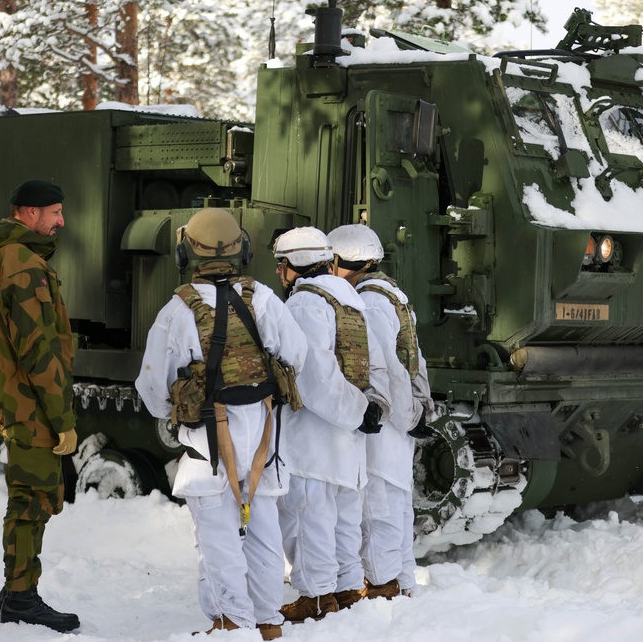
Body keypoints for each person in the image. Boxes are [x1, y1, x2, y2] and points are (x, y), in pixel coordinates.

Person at [135, 209, 306, 640]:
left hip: (209, 435)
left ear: (184, 250)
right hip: (263, 431)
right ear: (242, 249)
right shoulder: (263, 297)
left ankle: (231, 623)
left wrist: (171, 414)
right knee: (263, 524)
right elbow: (297, 355)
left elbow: (153, 382)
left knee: (217, 534)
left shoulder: (177, 310)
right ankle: (267, 620)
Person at [0, 178, 80, 633]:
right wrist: (63, 420)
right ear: (28, 213)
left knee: (29, 495)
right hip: (29, 399)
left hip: (12, 393)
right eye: (54, 212)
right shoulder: (20, 262)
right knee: (33, 499)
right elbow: (38, 349)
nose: (61, 221)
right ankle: (20, 596)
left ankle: (14, 588)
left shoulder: (0, 257)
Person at [272, 226, 391, 622]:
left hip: (317, 435)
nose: (280, 273)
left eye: (283, 265)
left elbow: (314, 375)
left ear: (299, 265)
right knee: (343, 518)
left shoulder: (306, 303)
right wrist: (367, 408)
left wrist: (356, 412)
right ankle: (345, 588)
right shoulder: (349, 298)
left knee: (309, 517)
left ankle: (315, 597)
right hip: (348, 435)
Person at [327, 224, 435, 600]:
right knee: (396, 503)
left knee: (378, 506)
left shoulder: (368, 301)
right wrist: (421, 409)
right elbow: (415, 360)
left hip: (386, 417)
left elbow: (386, 367)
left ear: (342, 259)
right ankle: (401, 580)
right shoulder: (392, 295)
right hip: (401, 414)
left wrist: (405, 415)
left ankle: (383, 588)